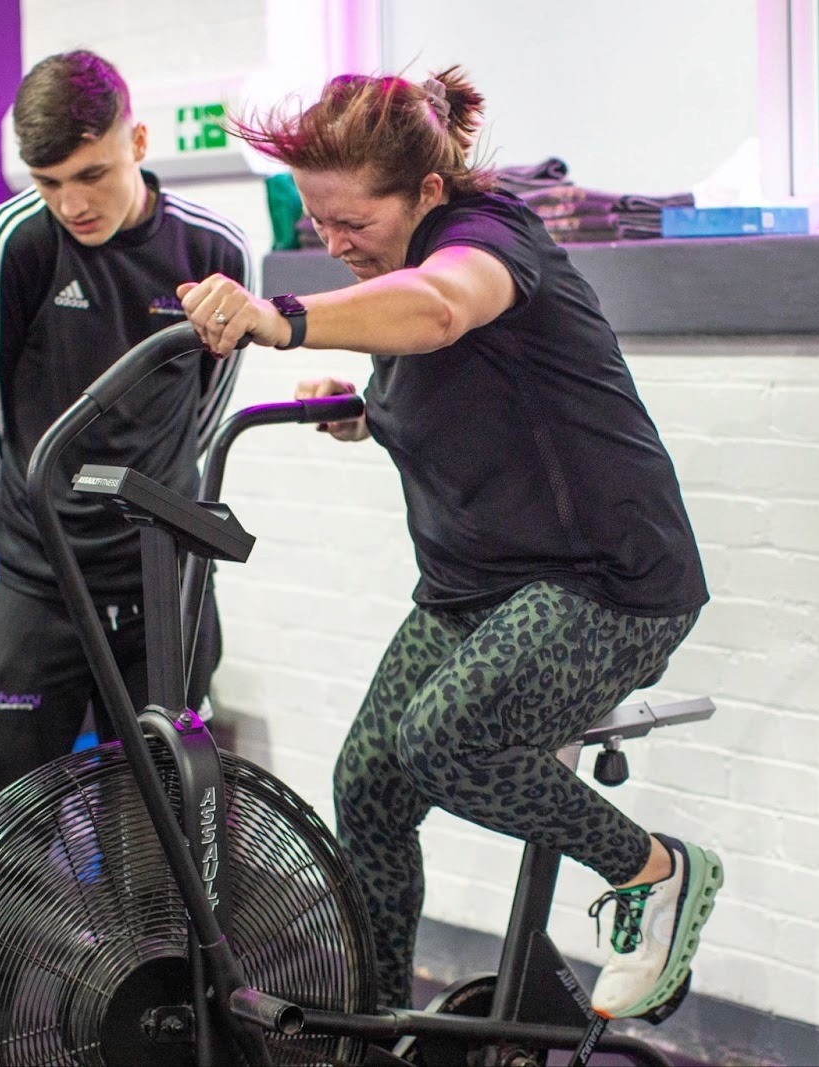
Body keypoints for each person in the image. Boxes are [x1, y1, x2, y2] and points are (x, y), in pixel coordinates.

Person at [176, 68, 719, 1020]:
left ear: (426, 191)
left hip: (608, 587)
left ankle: (658, 871)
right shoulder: (387, 273)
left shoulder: (487, 238)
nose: (333, 246)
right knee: (371, 784)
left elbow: (441, 308)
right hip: (472, 591)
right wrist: (364, 413)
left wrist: (284, 321)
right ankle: (377, 1023)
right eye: (318, 224)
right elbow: (454, 381)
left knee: (444, 742)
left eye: (353, 224)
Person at [0, 49, 254, 808]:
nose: (71, 203)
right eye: (49, 183)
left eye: (92, 175)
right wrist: (38, 531)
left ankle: (152, 936)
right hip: (41, 578)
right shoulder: (8, 246)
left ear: (139, 143)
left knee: (165, 820)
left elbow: (205, 410)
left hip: (164, 579)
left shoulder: (216, 251)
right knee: (5, 812)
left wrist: (168, 511)